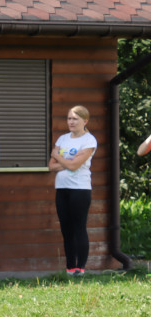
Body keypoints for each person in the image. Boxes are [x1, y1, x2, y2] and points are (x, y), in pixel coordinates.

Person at [50, 105, 97, 276]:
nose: (71, 122)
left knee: (79, 228)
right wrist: (66, 162)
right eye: (69, 118)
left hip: (80, 189)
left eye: (75, 119)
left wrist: (58, 156)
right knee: (66, 229)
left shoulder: (89, 140)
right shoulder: (62, 139)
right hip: (62, 188)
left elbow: (74, 165)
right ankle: (70, 268)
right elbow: (51, 167)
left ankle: (80, 268)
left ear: (85, 121)